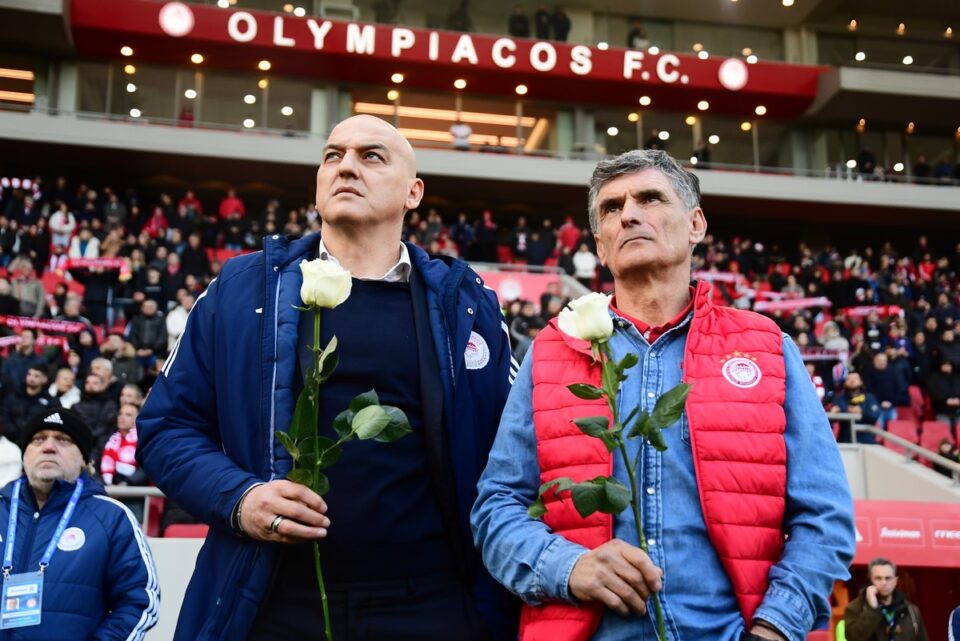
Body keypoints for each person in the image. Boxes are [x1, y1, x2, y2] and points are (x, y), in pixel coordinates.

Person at [137, 115, 518, 641]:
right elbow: (166, 428)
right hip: (273, 601)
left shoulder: (468, 305)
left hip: (430, 604)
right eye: (333, 155)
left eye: (371, 156)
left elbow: (516, 451)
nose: (346, 167)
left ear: (413, 192)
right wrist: (240, 499)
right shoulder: (241, 289)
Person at [472, 149, 854, 641]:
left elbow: (824, 515)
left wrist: (775, 627)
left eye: (650, 198)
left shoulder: (768, 347)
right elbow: (498, 507)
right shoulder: (550, 351)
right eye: (612, 208)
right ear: (601, 246)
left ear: (696, 225)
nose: (629, 214)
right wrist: (567, 567)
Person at [0, 406, 158, 639]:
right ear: (24, 455)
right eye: (38, 439)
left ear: (84, 459)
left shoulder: (112, 518)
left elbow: (139, 601)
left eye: (63, 440)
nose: (49, 447)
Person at [843, 558, 928, 641]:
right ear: (870, 580)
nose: (883, 583)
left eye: (888, 578)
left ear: (895, 581)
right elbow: (853, 638)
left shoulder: (911, 610)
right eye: (878, 578)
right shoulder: (855, 608)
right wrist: (872, 609)